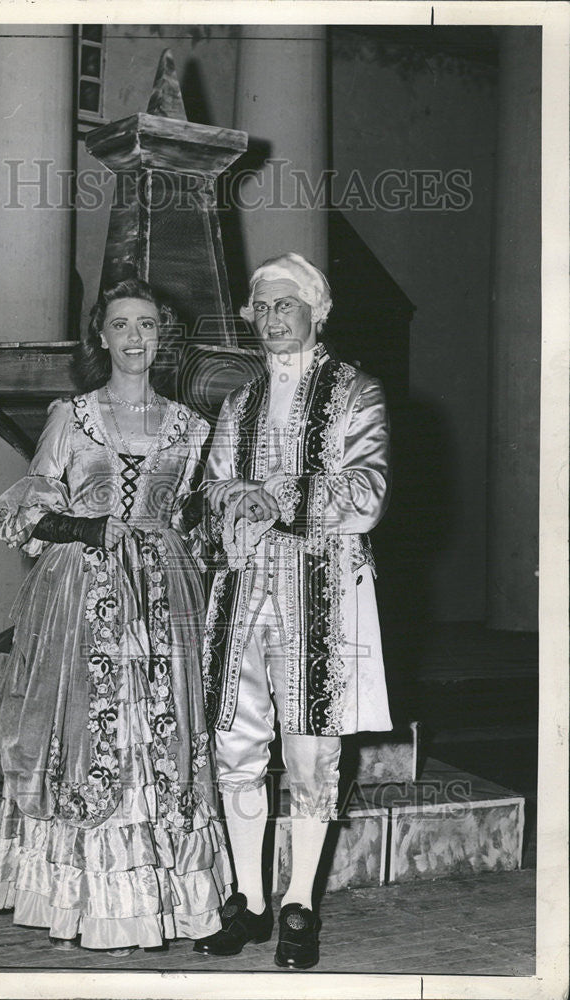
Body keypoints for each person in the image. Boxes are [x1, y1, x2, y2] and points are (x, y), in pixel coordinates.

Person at [0, 278, 231, 953]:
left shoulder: (191, 426)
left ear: (161, 338)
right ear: (101, 335)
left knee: (162, 729)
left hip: (164, 593)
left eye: (146, 326)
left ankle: (163, 897)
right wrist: (84, 528)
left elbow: (196, 517)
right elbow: (27, 510)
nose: (133, 338)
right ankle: (86, 896)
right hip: (80, 588)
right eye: (120, 324)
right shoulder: (72, 415)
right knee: (89, 731)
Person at [193, 252, 393, 970]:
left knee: (310, 752)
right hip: (244, 589)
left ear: (318, 311)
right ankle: (247, 900)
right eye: (262, 306)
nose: (271, 319)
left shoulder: (355, 392)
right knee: (233, 747)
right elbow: (210, 488)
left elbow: (365, 495)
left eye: (285, 305)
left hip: (321, 592)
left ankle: (299, 902)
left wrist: (275, 497)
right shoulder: (238, 402)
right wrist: (231, 500)